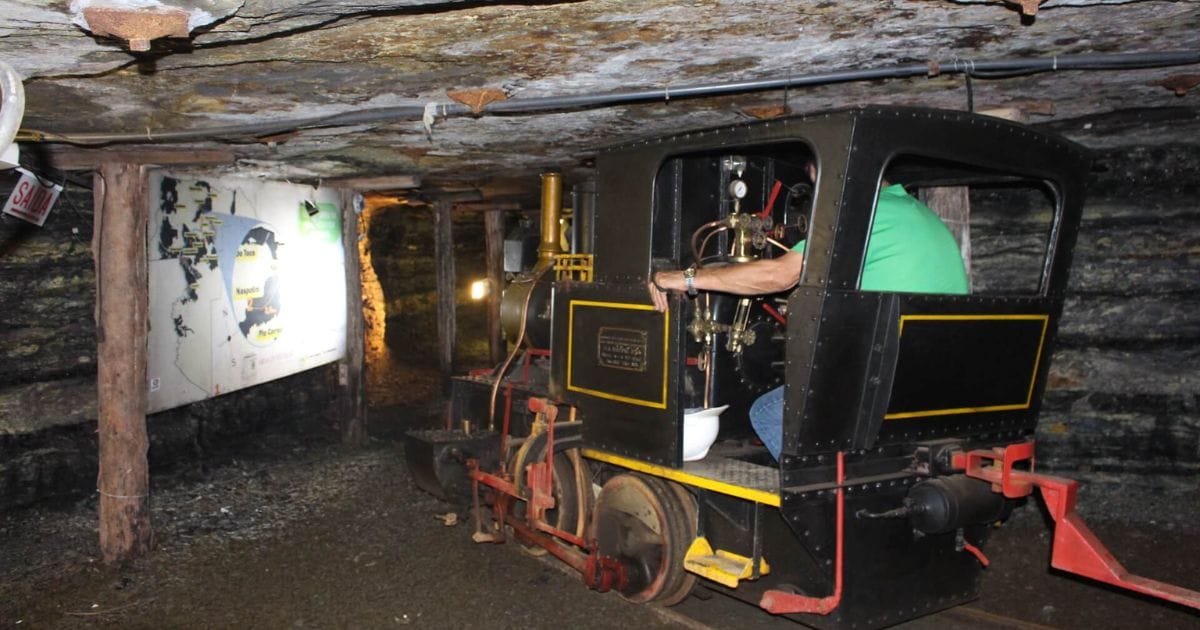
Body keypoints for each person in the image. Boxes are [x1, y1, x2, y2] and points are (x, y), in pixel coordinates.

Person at [649, 179, 968, 460]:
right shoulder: (923, 216)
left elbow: (780, 275)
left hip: (887, 383)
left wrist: (686, 278)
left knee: (769, 412)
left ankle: (824, 490)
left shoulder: (865, 215)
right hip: (937, 381)